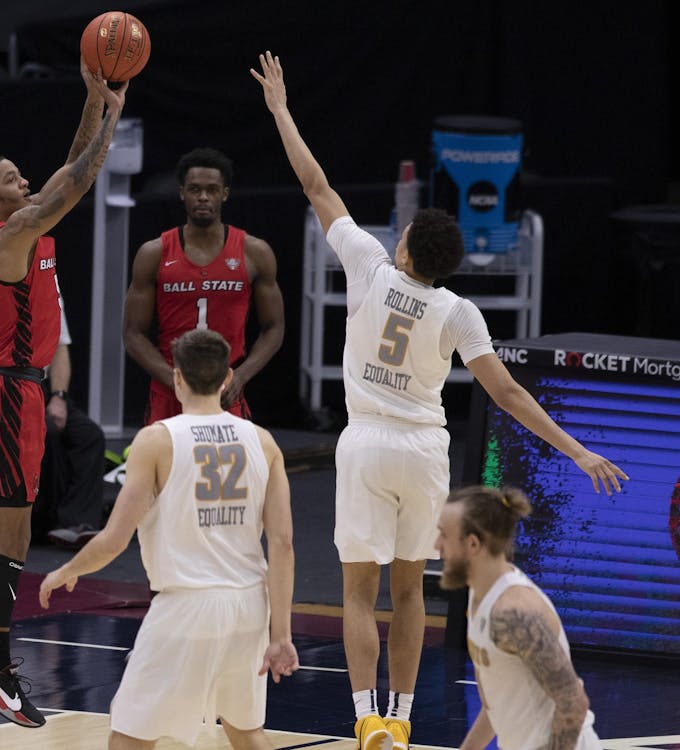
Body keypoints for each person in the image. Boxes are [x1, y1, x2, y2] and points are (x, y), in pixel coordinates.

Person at [251, 51, 628, 750]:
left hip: (366, 442)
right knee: (409, 594)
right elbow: (506, 393)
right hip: (424, 448)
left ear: (404, 251)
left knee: (357, 592)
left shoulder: (368, 268)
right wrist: (577, 451)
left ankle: (367, 719)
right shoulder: (459, 311)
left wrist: (280, 109)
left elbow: (315, 182)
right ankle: (402, 717)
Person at [0, 59, 127, 728]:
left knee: (11, 532)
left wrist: (93, 101)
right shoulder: (8, 236)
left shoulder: (23, 221)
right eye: (10, 178)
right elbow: (76, 182)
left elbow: (66, 171)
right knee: (9, 533)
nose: (23, 181)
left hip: (15, 392)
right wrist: (111, 122)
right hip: (5, 393)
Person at [39, 329, 299, 749]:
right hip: (250, 605)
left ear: (176, 377)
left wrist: (68, 570)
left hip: (185, 606)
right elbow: (283, 543)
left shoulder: (157, 440)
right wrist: (281, 634)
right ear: (227, 378)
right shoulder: (264, 442)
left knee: (128, 738)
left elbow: (115, 538)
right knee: (246, 731)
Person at [123, 147, 285, 424]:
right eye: (195, 189)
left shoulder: (254, 252)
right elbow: (133, 333)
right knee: (164, 454)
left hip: (225, 390)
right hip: (171, 391)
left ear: (225, 193)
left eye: (212, 190)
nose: (203, 197)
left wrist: (240, 377)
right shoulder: (155, 253)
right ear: (182, 193)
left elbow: (274, 328)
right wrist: (175, 381)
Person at [435, 486, 601, 750]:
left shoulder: (514, 614)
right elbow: (495, 704)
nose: (437, 546)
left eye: (444, 535)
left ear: (473, 544)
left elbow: (573, 703)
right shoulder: (479, 592)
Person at [36, 303, 108, 550]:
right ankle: (42, 522)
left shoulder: (50, 286)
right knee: (46, 432)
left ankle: (76, 523)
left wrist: (58, 397)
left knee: (90, 436)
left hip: (40, 386)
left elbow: (59, 345)